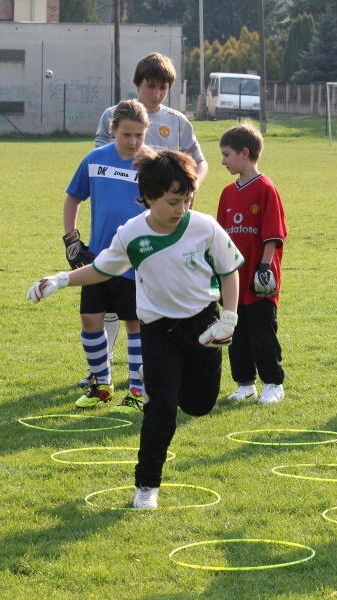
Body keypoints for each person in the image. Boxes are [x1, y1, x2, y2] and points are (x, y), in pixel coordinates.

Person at [28, 149, 243, 509]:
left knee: (200, 405)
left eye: (187, 201)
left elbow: (229, 270)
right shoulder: (132, 233)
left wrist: (230, 318)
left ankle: (163, 378)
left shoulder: (204, 226)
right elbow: (104, 268)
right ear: (148, 197)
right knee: (161, 409)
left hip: (204, 324)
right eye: (174, 202)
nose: (181, 210)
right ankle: (147, 486)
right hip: (157, 330)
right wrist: (62, 279)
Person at [82, 52, 210, 391]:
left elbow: (199, 162)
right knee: (107, 300)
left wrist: (190, 189)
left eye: (163, 88)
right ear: (137, 84)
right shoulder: (113, 116)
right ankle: (102, 369)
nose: (155, 94)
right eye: (150, 86)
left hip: (163, 227)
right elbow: (100, 164)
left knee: (153, 300)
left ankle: (151, 371)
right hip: (115, 227)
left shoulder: (178, 122)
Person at [61, 99, 149, 413]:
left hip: (135, 260)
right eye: (127, 134)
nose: (133, 141)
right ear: (113, 130)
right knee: (90, 319)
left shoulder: (150, 164)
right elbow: (73, 198)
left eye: (139, 135)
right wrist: (71, 237)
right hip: (98, 259)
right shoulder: (95, 160)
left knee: (134, 322)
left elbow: (175, 202)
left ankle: (138, 390)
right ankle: (102, 385)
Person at [216, 124, 288, 405]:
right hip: (233, 277)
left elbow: (274, 233)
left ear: (244, 153)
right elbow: (220, 238)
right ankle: (245, 384)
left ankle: (273, 383)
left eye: (226, 154)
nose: (222, 161)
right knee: (237, 330)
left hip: (259, 277)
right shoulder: (227, 193)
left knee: (262, 331)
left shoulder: (266, 189)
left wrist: (264, 268)